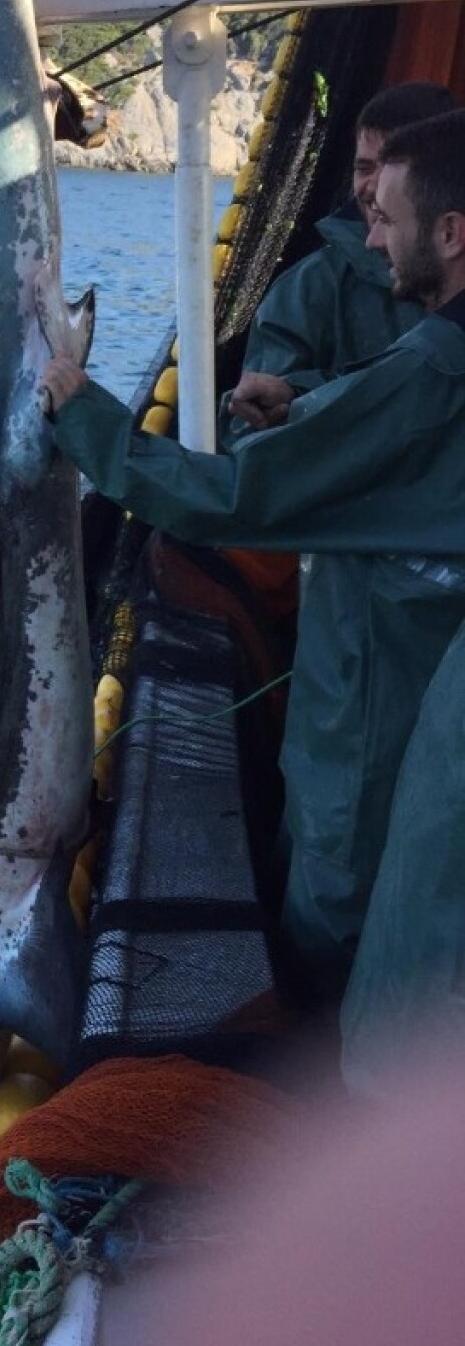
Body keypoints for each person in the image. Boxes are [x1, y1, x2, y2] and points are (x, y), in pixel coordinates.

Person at [39, 109, 465, 1040]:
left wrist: (82, 415)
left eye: (387, 215)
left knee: (339, 927)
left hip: (375, 721)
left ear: (451, 232)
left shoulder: (436, 368)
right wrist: (311, 403)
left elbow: (226, 498)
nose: (371, 231)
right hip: (407, 703)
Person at [226, 80, 458, 438]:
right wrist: (293, 397)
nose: (375, 186)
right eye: (364, 167)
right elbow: (252, 436)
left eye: (394, 166)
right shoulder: (307, 291)